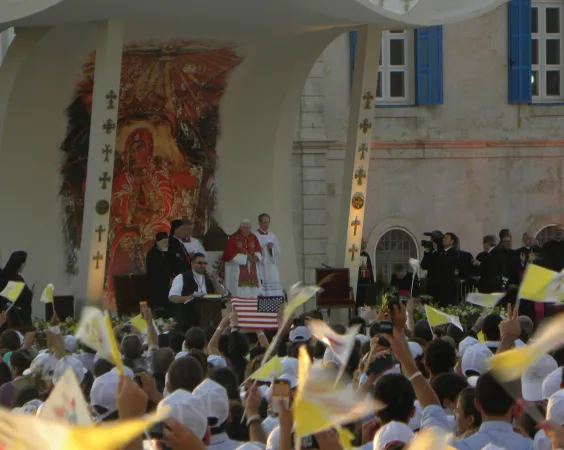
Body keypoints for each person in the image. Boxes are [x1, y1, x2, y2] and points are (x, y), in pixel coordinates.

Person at [169, 253, 227, 331]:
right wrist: (188, 298)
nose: (203, 265)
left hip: (207, 319)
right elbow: (172, 297)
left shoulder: (209, 277)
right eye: (199, 263)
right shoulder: (182, 277)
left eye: (205, 263)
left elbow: (223, 294)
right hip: (187, 319)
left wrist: (215, 282)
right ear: (192, 263)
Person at [221, 220, 263, 298]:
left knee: (253, 292)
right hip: (238, 269)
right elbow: (229, 254)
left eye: (249, 228)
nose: (247, 230)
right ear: (240, 228)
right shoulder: (233, 238)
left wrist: (257, 256)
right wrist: (246, 258)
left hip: (252, 267)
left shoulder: (253, 237)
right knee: (240, 292)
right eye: (245, 227)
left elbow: (258, 249)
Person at [0, 251, 33, 327]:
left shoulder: (3, 275)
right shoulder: (16, 279)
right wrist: (29, 294)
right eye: (23, 263)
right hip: (15, 319)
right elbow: (21, 298)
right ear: (19, 264)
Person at [253, 213, 283, 297]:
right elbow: (253, 251)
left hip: (271, 267)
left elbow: (278, 252)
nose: (266, 224)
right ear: (260, 222)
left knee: (274, 292)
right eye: (264, 222)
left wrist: (271, 249)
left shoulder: (272, 236)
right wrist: (264, 248)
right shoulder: (254, 235)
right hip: (261, 266)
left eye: (268, 222)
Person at [145, 232, 172, 317]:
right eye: (164, 242)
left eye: (167, 242)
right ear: (157, 242)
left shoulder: (165, 253)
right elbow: (155, 271)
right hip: (156, 286)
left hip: (165, 285)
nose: (166, 244)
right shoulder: (152, 254)